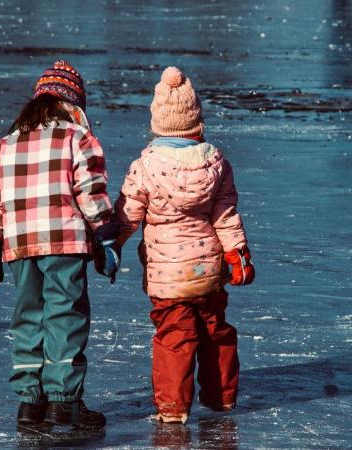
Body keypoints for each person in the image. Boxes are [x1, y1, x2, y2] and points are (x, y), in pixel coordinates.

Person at [0, 60, 119, 429]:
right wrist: (107, 236)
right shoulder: (78, 138)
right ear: (73, 103)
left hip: (20, 246)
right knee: (65, 317)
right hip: (65, 242)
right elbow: (91, 194)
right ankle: (63, 402)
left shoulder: (6, 145)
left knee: (27, 317)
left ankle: (29, 403)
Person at [113, 66, 255, 424]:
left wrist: (110, 245)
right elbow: (226, 215)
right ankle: (221, 397)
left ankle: (173, 408)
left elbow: (128, 215)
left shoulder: (145, 165)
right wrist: (237, 255)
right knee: (214, 329)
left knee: (175, 336)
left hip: (167, 275)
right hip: (207, 270)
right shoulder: (215, 162)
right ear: (195, 120)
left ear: (158, 123)